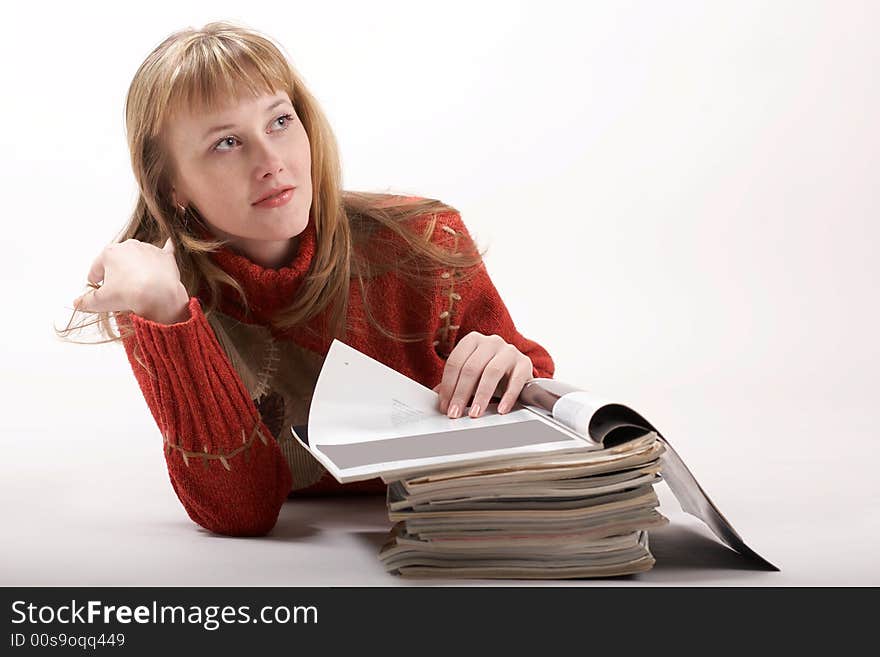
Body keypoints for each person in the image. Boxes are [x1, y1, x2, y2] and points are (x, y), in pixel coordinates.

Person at [58, 21, 555, 537]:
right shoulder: (154, 293)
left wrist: (512, 366)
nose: (271, 161)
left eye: (279, 121)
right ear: (171, 186)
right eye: (227, 142)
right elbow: (240, 510)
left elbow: (545, 407)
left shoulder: (424, 238)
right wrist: (166, 312)